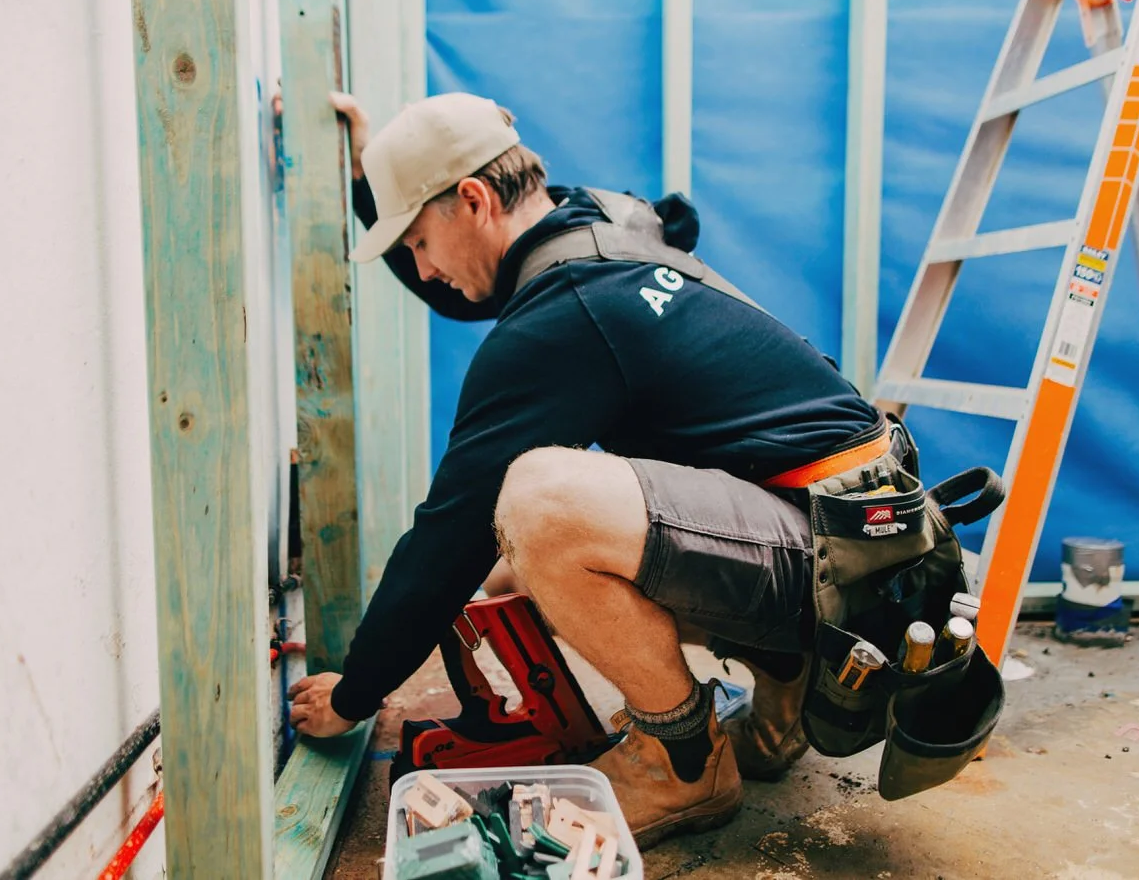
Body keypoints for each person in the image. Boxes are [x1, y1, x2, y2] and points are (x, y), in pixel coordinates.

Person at [287, 90, 898, 847]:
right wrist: (372, 183)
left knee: (537, 506)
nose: (423, 269)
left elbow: (447, 536)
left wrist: (355, 694)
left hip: (839, 568)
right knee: (516, 572)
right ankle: (786, 681)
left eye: (417, 242)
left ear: (473, 199)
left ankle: (681, 760)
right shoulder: (601, 223)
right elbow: (467, 283)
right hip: (856, 530)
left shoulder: (569, 311)